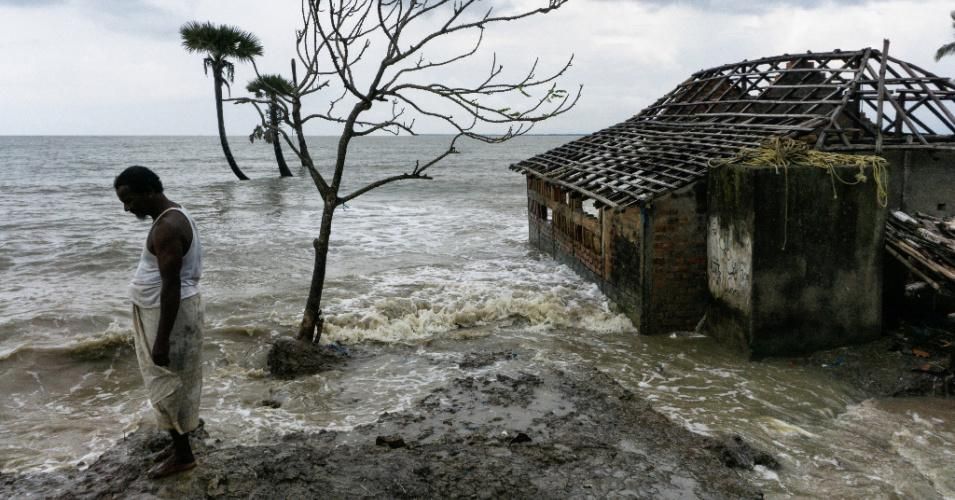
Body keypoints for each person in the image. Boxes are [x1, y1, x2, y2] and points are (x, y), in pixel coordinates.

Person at [114, 166, 204, 479]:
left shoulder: (167, 228)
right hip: (165, 309)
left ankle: (183, 456)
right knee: (174, 381)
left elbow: (171, 285)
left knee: (165, 384)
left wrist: (162, 338)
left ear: (150, 191)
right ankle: (179, 444)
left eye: (130, 199)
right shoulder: (172, 216)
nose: (127, 208)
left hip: (167, 314)